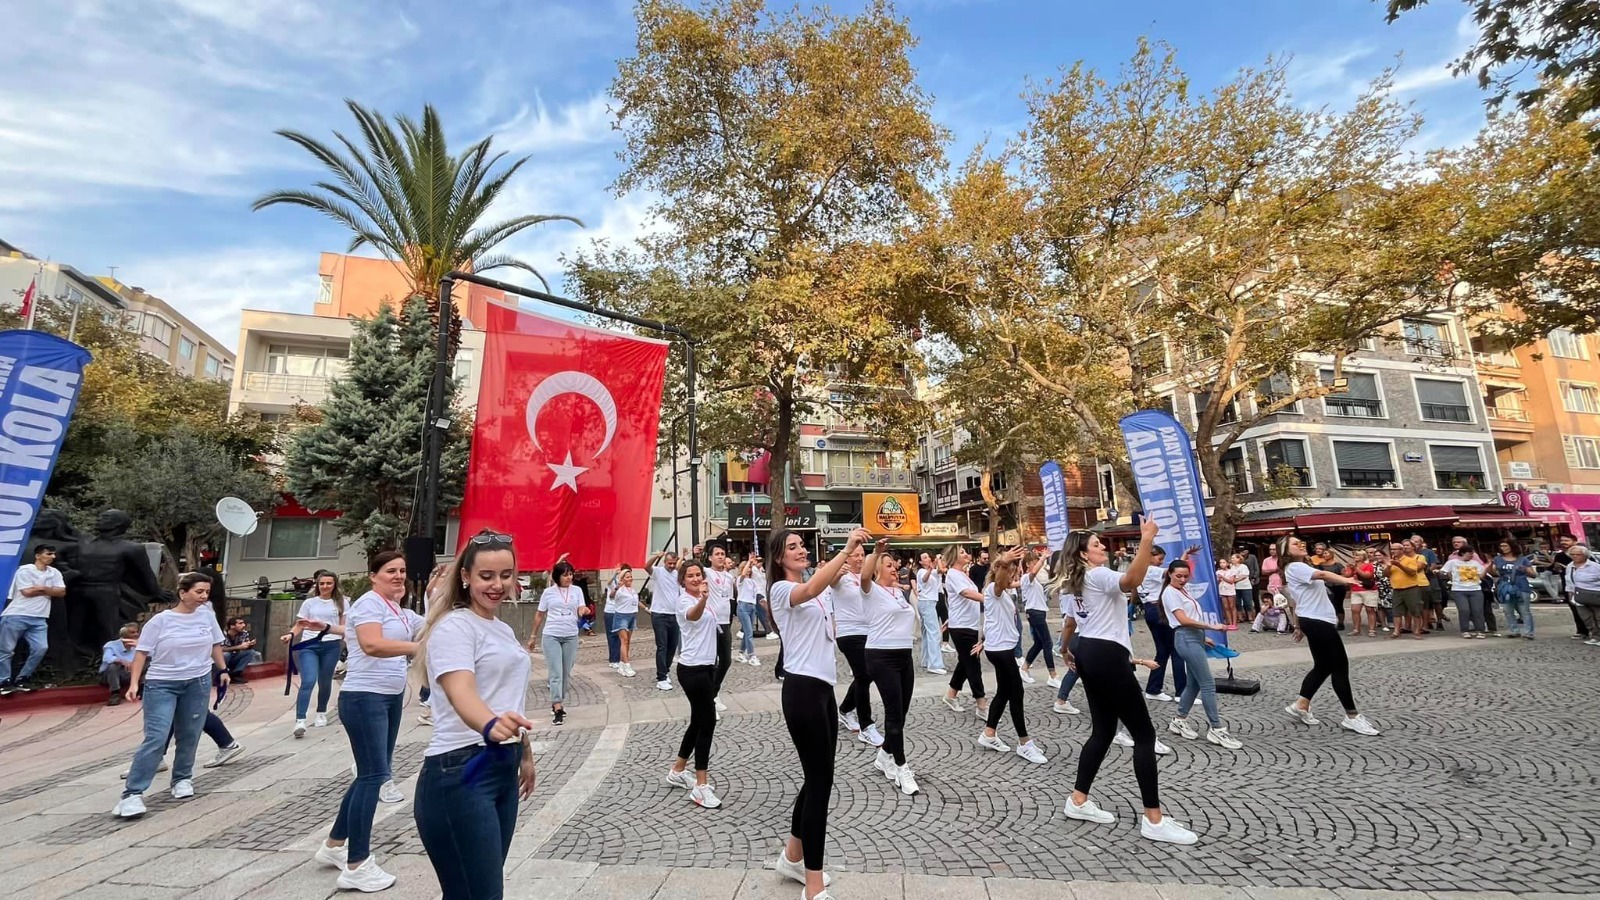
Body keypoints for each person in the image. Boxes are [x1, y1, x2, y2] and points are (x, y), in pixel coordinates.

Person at [411, 530, 537, 900]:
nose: (497, 585)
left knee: (476, 890)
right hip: (461, 772)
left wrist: (524, 751)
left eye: (505, 574)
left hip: (501, 767)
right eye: (486, 576)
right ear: (465, 576)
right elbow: (460, 690)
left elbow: (507, 699)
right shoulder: (455, 626)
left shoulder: (499, 628)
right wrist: (489, 724)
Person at [1052, 522, 1195, 845]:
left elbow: (1072, 620)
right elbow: (1132, 580)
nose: (1102, 547)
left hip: (1089, 650)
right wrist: (1146, 539)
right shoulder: (1097, 575)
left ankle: (1078, 800)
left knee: (1103, 731)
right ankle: (1153, 819)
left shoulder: (1076, 581)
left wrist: (1065, 649)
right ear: (1083, 553)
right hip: (1105, 653)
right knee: (1144, 735)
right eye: (1095, 544)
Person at [767, 526, 870, 900]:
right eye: (791, 547)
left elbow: (839, 589)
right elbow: (808, 589)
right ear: (778, 558)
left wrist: (854, 561)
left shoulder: (819, 585)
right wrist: (843, 553)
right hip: (802, 691)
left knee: (818, 779)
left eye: (801, 545)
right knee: (821, 785)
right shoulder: (781, 590)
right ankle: (812, 884)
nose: (800, 550)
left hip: (824, 690)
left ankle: (793, 857)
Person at [315, 551, 424, 892]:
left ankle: (334, 845)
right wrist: (417, 648)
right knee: (374, 777)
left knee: (370, 773)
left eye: (402, 571)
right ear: (373, 574)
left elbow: (433, 623)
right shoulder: (368, 604)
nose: (398, 576)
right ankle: (357, 864)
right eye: (390, 570)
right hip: (365, 698)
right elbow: (372, 644)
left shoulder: (399, 610)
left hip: (389, 698)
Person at [115, 572, 230, 819]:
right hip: (162, 684)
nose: (204, 597)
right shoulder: (160, 621)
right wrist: (134, 683)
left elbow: (215, 645)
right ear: (183, 593)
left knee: (190, 733)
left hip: (197, 682)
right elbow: (142, 653)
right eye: (199, 591)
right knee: (156, 737)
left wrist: (223, 670)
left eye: (207, 592)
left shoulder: (207, 617)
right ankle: (132, 794)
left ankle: (182, 779)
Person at [1280, 536, 1381, 736]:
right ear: (1286, 552)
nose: (1300, 545)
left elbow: (1297, 601)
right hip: (1317, 622)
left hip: (1314, 620)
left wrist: (1299, 626)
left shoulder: (1302, 567)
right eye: (1294, 544)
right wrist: (1347, 579)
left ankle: (1302, 704)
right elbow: (1323, 574)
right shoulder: (1294, 567)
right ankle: (1352, 716)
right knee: (1340, 667)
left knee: (1323, 666)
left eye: (1301, 542)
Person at [976, 548, 1047, 765]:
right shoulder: (992, 589)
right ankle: (1024, 743)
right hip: (1001, 651)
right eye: (1010, 571)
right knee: (1017, 692)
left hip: (1000, 647)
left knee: (1004, 692)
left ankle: (989, 733)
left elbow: (1021, 581)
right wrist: (1004, 563)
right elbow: (998, 584)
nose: (1013, 574)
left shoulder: (1003, 592)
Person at [1160, 560, 1241, 750]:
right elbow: (1182, 620)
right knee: (1208, 684)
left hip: (1194, 638)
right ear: (1169, 574)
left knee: (1194, 684)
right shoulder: (1170, 593)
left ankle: (1179, 719)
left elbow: (1190, 618)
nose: (1182, 579)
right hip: (1186, 639)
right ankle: (1216, 728)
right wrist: (1211, 627)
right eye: (1178, 576)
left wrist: (1203, 638)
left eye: (1185, 576)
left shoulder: (1181, 591)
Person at [861, 542, 920, 794]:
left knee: (902, 713)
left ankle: (884, 755)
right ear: (877, 569)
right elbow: (863, 575)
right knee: (893, 714)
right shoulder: (871, 590)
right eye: (888, 565)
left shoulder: (899, 593)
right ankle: (901, 767)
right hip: (880, 656)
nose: (895, 568)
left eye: (894, 565)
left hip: (904, 655)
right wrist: (875, 552)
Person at [664, 561, 723, 808]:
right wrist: (703, 600)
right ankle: (700, 786)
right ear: (682, 580)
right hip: (692, 670)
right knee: (707, 721)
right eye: (690, 576)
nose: (696, 578)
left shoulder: (704, 598)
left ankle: (678, 770)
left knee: (699, 721)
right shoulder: (685, 601)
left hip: (706, 667)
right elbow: (692, 615)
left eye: (699, 574)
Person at [284, 570, 347, 737]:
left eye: (329, 583)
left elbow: (344, 627)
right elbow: (300, 624)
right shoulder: (310, 603)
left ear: (335, 585)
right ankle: (300, 720)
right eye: (322, 583)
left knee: (325, 681)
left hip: (331, 645)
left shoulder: (342, 603)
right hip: (309, 645)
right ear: (317, 585)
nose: (325, 586)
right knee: (308, 680)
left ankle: (321, 712)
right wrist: (291, 635)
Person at [832, 540, 883, 747]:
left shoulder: (864, 577)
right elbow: (831, 582)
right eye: (856, 555)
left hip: (868, 631)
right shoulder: (841, 575)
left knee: (867, 674)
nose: (860, 558)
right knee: (863, 675)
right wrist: (838, 571)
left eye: (862, 554)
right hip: (849, 632)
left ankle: (844, 709)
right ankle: (866, 725)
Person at [532, 558, 591, 726]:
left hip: (571, 635)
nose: (569, 578)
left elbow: (581, 607)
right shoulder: (549, 592)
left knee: (566, 671)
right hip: (552, 635)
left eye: (571, 574)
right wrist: (533, 636)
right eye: (565, 575)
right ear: (557, 576)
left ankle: (558, 700)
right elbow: (539, 614)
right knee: (555, 672)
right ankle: (558, 706)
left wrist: (583, 610)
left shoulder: (577, 590)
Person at [0, 544, 66, 693]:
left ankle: (23, 678)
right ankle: (3, 681)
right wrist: (50, 590)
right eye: (49, 554)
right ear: (38, 556)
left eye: (53, 554)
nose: (53, 557)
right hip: (16, 614)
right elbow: (27, 592)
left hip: (40, 617)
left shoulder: (54, 572)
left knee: (41, 648)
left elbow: (61, 592)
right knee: (6, 650)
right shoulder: (25, 570)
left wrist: (40, 588)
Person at [939, 545, 987, 718]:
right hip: (962, 627)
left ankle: (950, 695)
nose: (966, 554)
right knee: (973, 664)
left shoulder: (962, 575)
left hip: (968, 624)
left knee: (965, 662)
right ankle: (981, 704)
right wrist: (989, 600)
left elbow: (957, 601)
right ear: (954, 557)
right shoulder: (953, 573)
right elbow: (966, 594)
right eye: (962, 552)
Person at [1139, 546, 1190, 702]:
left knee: (1162, 652)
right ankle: (1182, 693)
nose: (1160, 562)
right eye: (1159, 558)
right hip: (1158, 609)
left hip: (1149, 609)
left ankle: (1153, 688)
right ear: (1149, 556)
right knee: (1177, 651)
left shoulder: (1141, 570)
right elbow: (1171, 572)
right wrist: (1182, 559)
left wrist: (1183, 556)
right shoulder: (1151, 569)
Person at [1019, 551, 1060, 687]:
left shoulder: (1033, 580)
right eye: (1034, 562)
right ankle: (1052, 675)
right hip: (1035, 612)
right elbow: (1034, 572)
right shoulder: (1026, 578)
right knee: (1047, 643)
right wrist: (1043, 558)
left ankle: (1024, 668)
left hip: (1039, 612)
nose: (1037, 565)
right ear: (1028, 564)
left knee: (1039, 643)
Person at [705, 543, 737, 709]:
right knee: (711, 660)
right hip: (711, 622)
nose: (720, 556)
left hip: (725, 622)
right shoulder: (707, 572)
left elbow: (729, 598)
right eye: (716, 554)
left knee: (726, 660)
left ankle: (714, 692)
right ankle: (709, 697)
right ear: (710, 557)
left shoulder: (729, 577)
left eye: (722, 554)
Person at [645, 549, 682, 690]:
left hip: (674, 615)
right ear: (665, 562)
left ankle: (665, 672)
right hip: (659, 614)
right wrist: (656, 556)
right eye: (669, 563)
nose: (671, 566)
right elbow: (646, 567)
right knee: (662, 646)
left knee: (672, 647)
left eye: (674, 563)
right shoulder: (658, 572)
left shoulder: (677, 574)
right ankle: (661, 677)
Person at [1440, 539, 1489, 638]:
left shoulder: (1475, 563)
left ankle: (1480, 630)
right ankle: (1465, 630)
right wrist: (1451, 576)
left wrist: (1486, 567)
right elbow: (1443, 571)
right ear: (1462, 553)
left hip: (1475, 589)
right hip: (1459, 590)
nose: (1471, 556)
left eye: (1472, 554)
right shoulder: (1453, 562)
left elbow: (1481, 576)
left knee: (1477, 610)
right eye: (1469, 553)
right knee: (1464, 610)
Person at [1492, 540, 1537, 639]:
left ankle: (1529, 632)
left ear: (1512, 547)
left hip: (1521, 586)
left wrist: (1525, 570)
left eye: (1505, 546)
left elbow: (1533, 574)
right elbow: (1494, 572)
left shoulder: (1522, 559)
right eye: (1501, 546)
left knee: (1524, 610)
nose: (1503, 548)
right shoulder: (1498, 559)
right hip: (1505, 587)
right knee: (1508, 610)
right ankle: (1514, 630)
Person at [1387, 541, 1429, 641]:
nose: (1393, 551)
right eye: (1391, 549)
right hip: (1397, 588)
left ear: (1401, 550)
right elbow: (1386, 574)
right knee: (1396, 612)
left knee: (1415, 611)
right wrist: (1388, 567)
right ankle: (1396, 631)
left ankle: (1417, 632)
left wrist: (1399, 565)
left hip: (1411, 588)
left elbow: (1412, 572)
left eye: (1395, 549)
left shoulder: (1410, 560)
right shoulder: (1391, 560)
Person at [1548, 534, 1586, 639]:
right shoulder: (1559, 555)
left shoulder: (1583, 553)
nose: (1563, 542)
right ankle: (1581, 630)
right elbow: (1553, 570)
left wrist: (1569, 567)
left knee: (1588, 609)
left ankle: (1594, 630)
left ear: (1574, 541)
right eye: (1562, 540)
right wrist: (1556, 568)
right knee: (1574, 608)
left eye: (1566, 540)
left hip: (1584, 585)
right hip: (1568, 585)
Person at [915, 552, 945, 676]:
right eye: (924, 558)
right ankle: (934, 664)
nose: (927, 559)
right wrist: (931, 568)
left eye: (928, 557)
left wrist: (938, 560)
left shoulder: (933, 571)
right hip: (926, 602)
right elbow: (924, 579)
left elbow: (941, 570)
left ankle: (926, 659)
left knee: (927, 632)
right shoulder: (921, 571)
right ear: (921, 562)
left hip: (929, 602)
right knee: (934, 632)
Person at [610, 565, 641, 676]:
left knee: (628, 641)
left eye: (631, 576)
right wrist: (617, 587)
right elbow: (611, 595)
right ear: (622, 579)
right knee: (624, 640)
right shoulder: (619, 589)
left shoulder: (632, 590)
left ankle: (623, 663)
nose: (630, 579)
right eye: (627, 577)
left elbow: (636, 602)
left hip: (632, 615)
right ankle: (627, 665)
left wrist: (646, 609)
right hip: (621, 616)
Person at [1566, 545, 1600, 644]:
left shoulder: (1595, 566)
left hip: (1595, 595)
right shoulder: (1570, 566)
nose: (1575, 556)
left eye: (1578, 554)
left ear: (1585, 555)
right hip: (1578, 596)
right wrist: (1570, 594)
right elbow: (1569, 581)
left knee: (1598, 617)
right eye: (1572, 554)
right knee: (1587, 618)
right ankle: (1595, 636)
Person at [101, 623, 139, 706]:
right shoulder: (111, 645)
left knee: (149, 663)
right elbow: (107, 658)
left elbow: (153, 654)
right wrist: (122, 661)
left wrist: (139, 646)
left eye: (137, 632)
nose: (136, 634)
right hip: (113, 675)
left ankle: (142, 688)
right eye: (132, 632)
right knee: (112, 666)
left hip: (131, 673)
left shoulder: (138, 645)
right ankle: (115, 694)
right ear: (124, 635)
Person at [736, 553, 763, 666]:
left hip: (752, 606)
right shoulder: (740, 580)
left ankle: (741, 653)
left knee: (748, 631)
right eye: (747, 569)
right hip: (743, 606)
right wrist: (749, 562)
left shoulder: (752, 581)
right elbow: (742, 574)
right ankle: (751, 655)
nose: (748, 570)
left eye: (750, 569)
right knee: (749, 632)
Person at [1347, 551, 1380, 638]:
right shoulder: (1352, 565)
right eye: (1354, 555)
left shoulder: (1368, 565)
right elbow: (1347, 576)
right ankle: (1356, 629)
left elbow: (1367, 576)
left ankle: (1372, 630)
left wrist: (1357, 568)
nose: (1355, 556)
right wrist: (1349, 569)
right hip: (1355, 590)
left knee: (1370, 610)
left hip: (1368, 590)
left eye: (1357, 555)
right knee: (1355, 610)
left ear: (1363, 556)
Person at [1216, 555, 1240, 631]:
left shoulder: (1232, 571)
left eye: (1224, 562)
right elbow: (1216, 582)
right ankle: (1229, 623)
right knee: (1226, 607)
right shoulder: (1218, 572)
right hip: (1222, 590)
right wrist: (1219, 580)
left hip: (1230, 590)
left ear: (1227, 563)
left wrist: (1223, 577)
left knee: (1232, 606)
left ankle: (1234, 623)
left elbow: (1231, 581)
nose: (1222, 564)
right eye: (1220, 563)